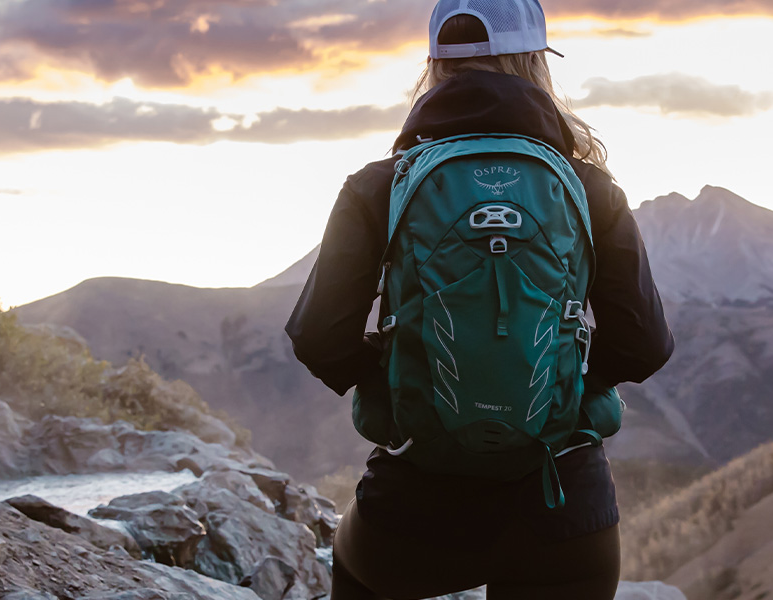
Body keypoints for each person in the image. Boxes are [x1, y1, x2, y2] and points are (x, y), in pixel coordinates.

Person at [286, 0, 673, 598]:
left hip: (415, 510)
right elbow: (644, 343)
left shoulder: (379, 184)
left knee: (356, 559)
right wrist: (564, 385)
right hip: (565, 510)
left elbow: (318, 337)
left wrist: (396, 377)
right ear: (536, 62)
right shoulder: (590, 187)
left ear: (434, 66)